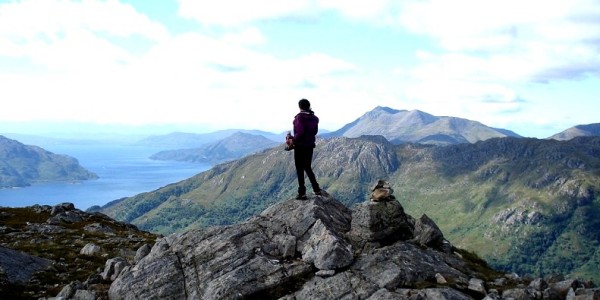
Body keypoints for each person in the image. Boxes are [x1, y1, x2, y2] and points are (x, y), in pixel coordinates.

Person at [291, 99, 326, 200]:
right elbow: (314, 132)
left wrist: (293, 140)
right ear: (308, 106)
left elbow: (300, 132)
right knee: (307, 167)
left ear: (300, 106)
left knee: (299, 168)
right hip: (309, 145)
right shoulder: (314, 118)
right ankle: (316, 189)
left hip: (300, 146)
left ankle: (302, 193)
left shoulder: (299, 118)